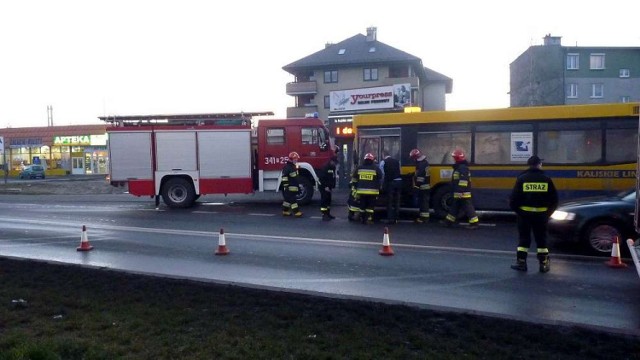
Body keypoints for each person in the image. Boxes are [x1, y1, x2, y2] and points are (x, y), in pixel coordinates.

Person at [509, 155, 558, 273]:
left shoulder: (522, 179)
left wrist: (520, 212)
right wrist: (547, 213)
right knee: (542, 240)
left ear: (529, 165)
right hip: (541, 216)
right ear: (539, 164)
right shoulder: (546, 179)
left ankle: (521, 263)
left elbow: (513, 200)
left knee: (524, 240)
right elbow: (554, 200)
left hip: (524, 216)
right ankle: (544, 264)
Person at [443, 149, 479, 229]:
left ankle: (474, 223)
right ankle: (448, 222)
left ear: (457, 158)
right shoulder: (460, 167)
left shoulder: (462, 168)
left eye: (454, 158)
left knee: (468, 208)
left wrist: (460, 191)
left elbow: (463, 181)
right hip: (459, 192)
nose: (453, 159)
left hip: (462, 193)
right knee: (454, 207)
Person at [352, 153, 382, 225]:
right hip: (373, 192)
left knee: (362, 205)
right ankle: (369, 218)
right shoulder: (376, 168)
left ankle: (362, 219)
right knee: (370, 206)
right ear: (372, 160)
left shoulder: (359, 168)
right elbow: (380, 177)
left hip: (361, 191)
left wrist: (355, 187)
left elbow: (354, 178)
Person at [380, 151, 402, 224]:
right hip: (399, 182)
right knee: (397, 200)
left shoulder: (383, 162)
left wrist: (382, 185)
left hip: (391, 183)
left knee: (390, 201)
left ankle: (390, 218)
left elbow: (382, 174)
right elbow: (400, 171)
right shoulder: (397, 161)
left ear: (383, 155)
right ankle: (397, 218)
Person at [410, 148, 431, 224]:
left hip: (423, 187)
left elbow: (421, 177)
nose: (413, 160)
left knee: (424, 203)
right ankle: (423, 217)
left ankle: (424, 218)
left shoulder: (421, 164)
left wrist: (417, 186)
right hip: (425, 186)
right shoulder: (424, 163)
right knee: (423, 202)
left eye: (413, 158)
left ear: (416, 157)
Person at [281, 151, 303, 217]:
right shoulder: (288, 167)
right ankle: (296, 212)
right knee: (293, 201)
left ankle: (285, 211)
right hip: (290, 187)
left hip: (293, 186)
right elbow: (284, 178)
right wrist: (286, 187)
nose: (296, 160)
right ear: (291, 159)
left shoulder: (292, 167)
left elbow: (294, 174)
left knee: (287, 200)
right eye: (295, 159)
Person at [318, 154, 338, 221]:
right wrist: (326, 186)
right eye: (334, 162)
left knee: (328, 200)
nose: (335, 164)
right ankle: (324, 215)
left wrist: (332, 186)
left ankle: (328, 214)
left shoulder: (332, 167)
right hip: (323, 186)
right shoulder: (325, 167)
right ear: (331, 161)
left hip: (328, 186)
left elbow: (332, 177)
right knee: (324, 200)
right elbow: (322, 178)